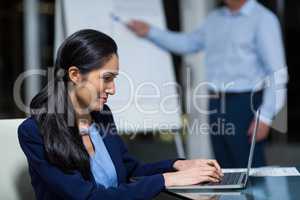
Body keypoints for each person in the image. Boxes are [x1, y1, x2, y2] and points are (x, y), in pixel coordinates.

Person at [18, 29, 223, 200]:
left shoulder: (102, 115)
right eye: (106, 78)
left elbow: (129, 170)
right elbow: (88, 197)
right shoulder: (35, 131)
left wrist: (176, 165)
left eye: (114, 78)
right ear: (75, 75)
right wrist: (166, 179)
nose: (113, 89)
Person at [127, 0, 288, 168]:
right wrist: (150, 31)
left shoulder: (263, 19)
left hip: (245, 104)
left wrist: (266, 116)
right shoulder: (214, 19)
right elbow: (187, 43)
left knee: (249, 169)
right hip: (216, 102)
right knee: (224, 168)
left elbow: (277, 72)